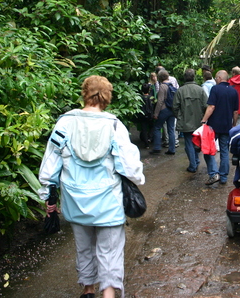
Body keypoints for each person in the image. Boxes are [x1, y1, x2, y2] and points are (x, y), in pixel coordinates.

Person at [38, 75, 145, 298]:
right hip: (109, 203)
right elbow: (130, 167)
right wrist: (137, 180)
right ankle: (108, 292)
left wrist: (47, 194)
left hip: (76, 202)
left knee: (84, 247)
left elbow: (50, 162)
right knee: (110, 251)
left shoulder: (64, 123)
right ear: (107, 96)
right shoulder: (114, 125)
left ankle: (88, 289)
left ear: (84, 93)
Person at [200, 70, 239, 185]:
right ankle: (223, 177)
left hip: (213, 126)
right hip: (227, 126)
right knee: (224, 151)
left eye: (216, 78)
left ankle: (213, 173)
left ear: (219, 78)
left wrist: (204, 120)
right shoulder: (234, 92)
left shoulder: (215, 89)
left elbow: (211, 106)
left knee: (208, 150)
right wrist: (234, 124)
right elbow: (235, 112)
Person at [173, 68, 209, 173]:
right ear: (194, 77)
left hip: (185, 121)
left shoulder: (180, 91)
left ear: (185, 77)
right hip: (198, 121)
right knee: (196, 142)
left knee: (188, 143)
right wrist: (203, 118)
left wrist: (179, 117)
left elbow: (175, 107)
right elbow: (206, 105)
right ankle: (196, 161)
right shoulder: (200, 90)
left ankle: (193, 165)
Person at [151, 70, 176, 155]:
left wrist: (156, 113)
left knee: (157, 127)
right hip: (172, 110)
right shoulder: (172, 85)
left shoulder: (163, 86)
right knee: (171, 130)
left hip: (164, 110)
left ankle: (157, 147)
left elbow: (160, 101)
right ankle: (172, 149)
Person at [137, 83, 155, 148]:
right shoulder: (152, 98)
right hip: (150, 115)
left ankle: (146, 144)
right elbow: (154, 105)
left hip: (142, 115)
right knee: (152, 127)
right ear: (149, 90)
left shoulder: (139, 98)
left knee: (144, 129)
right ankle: (150, 138)